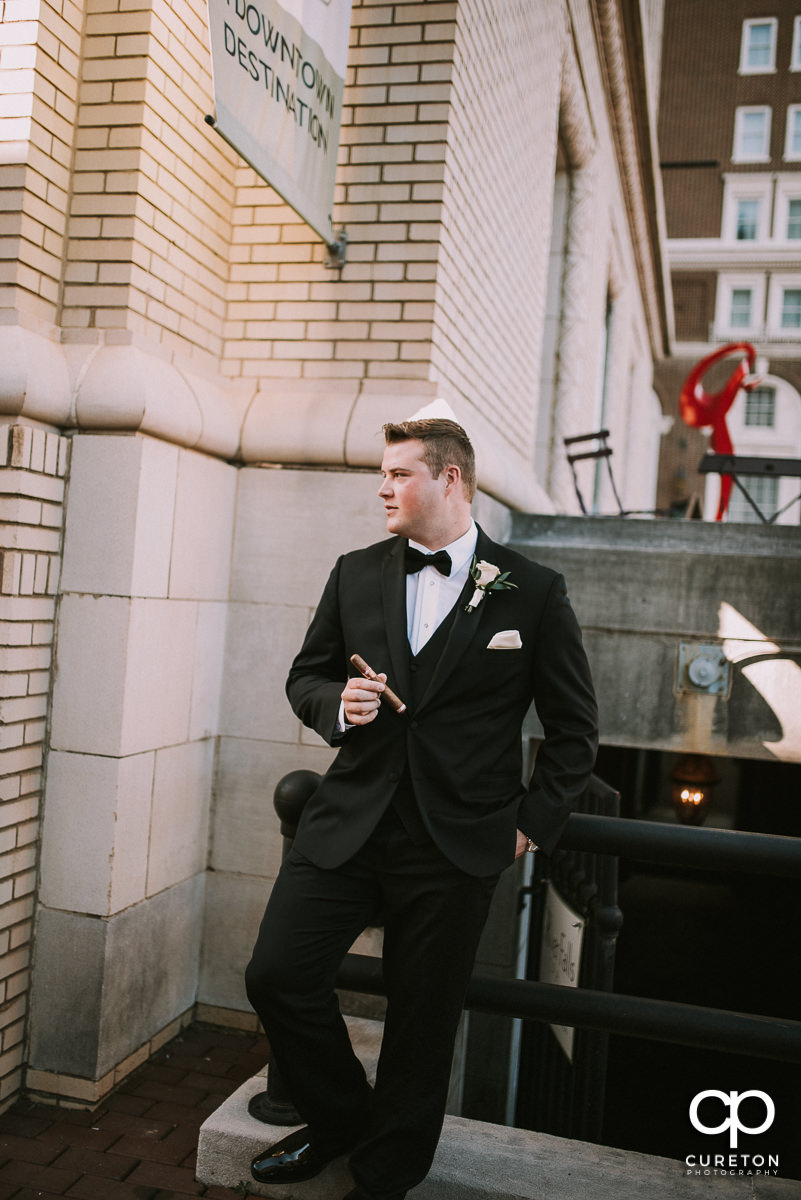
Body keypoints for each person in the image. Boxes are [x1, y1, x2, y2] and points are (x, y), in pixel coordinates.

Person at [244, 417, 598, 1200]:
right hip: (347, 826)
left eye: (399, 473)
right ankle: (339, 1119)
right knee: (276, 975)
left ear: (449, 480)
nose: (382, 487)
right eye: (383, 473)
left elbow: (575, 733)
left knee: (422, 1020)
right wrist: (341, 702)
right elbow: (305, 678)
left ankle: (384, 1174)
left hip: (459, 845)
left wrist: (528, 829)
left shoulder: (532, 592)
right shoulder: (354, 572)